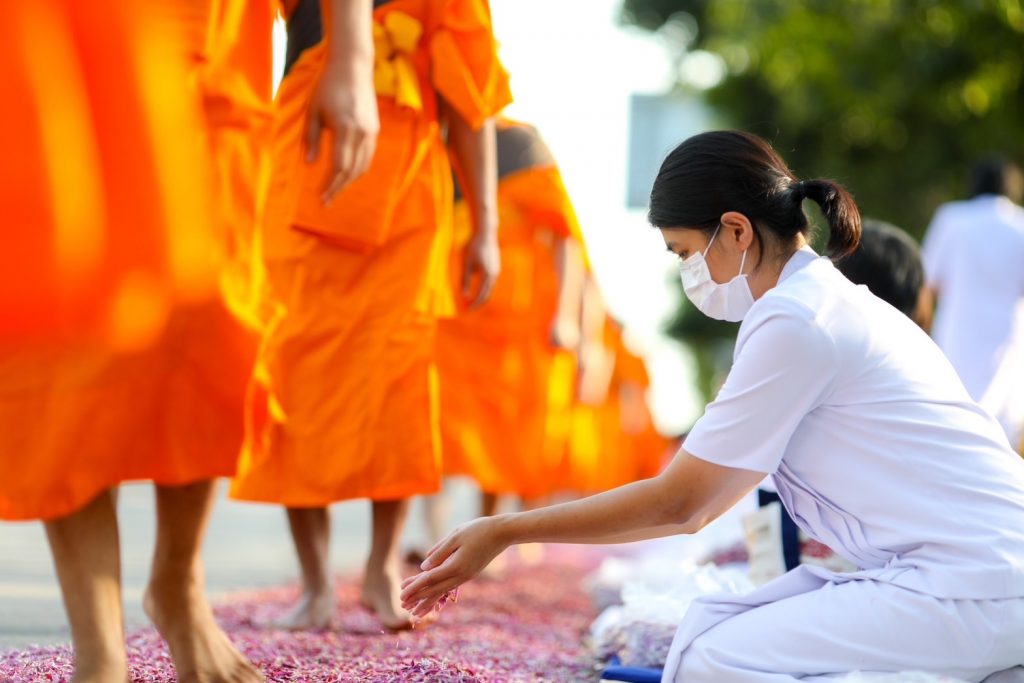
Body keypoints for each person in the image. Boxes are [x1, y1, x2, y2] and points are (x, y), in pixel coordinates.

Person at [401, 130, 1024, 681]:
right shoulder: (818, 302)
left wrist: (507, 530)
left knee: (711, 659)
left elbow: (684, 503)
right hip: (977, 572)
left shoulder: (797, 319)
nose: (685, 271)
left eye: (682, 252)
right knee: (712, 632)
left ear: (735, 230)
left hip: (974, 581)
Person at [0, 1, 378, 680]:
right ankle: (100, 650)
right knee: (73, 315)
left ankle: (178, 584)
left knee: (216, 327)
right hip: (66, 32)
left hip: (215, 45)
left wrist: (352, 57)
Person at [230, 0, 511, 631]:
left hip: (407, 200)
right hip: (303, 171)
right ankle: (314, 584)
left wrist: (485, 226)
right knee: (294, 377)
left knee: (397, 382)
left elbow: (470, 102)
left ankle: (382, 569)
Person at [435, 118, 586, 518]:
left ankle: (492, 528)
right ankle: (434, 533)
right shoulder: (430, 138)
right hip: (449, 317)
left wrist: (566, 316)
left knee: (506, 434)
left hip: (515, 322)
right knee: (438, 427)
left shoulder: (518, 144)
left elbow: (563, 237)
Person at [922, 158, 1024, 447]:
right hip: (1009, 344)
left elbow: (928, 284)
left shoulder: (952, 219)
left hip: (955, 336)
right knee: (1002, 437)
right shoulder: (1021, 225)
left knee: (954, 428)